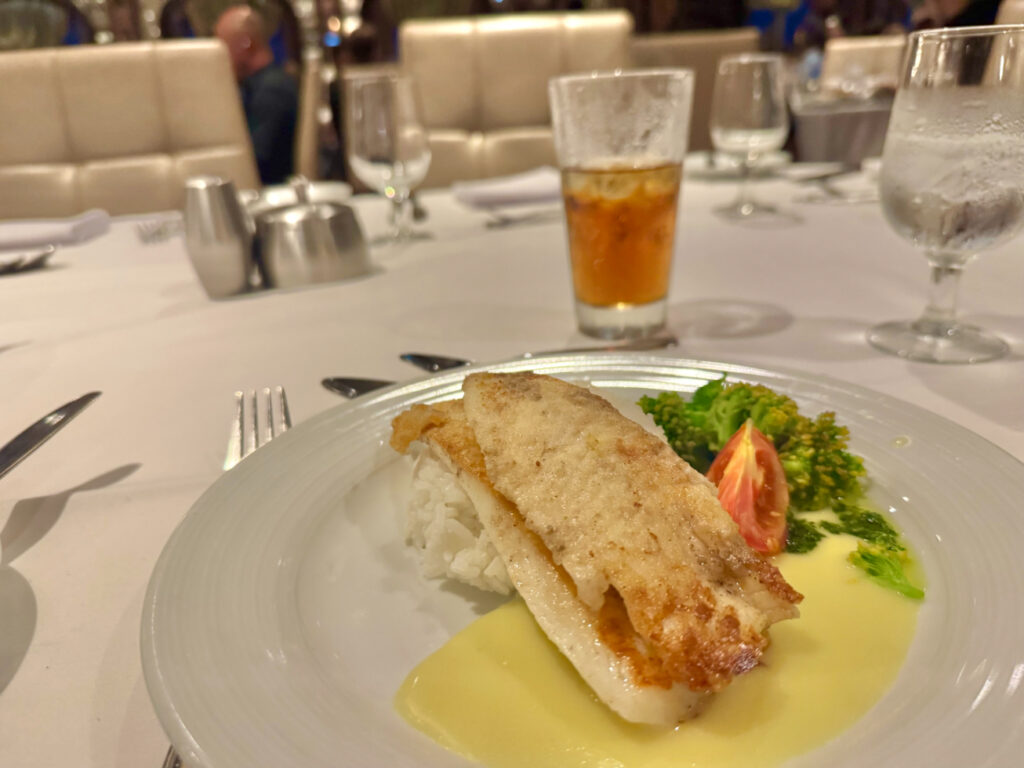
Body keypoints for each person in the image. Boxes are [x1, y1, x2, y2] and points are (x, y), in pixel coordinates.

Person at [215, 5, 298, 185]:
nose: (220, 58)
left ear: (246, 44)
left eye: (223, 48)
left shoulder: (273, 91)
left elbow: (254, 161)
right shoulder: (256, 86)